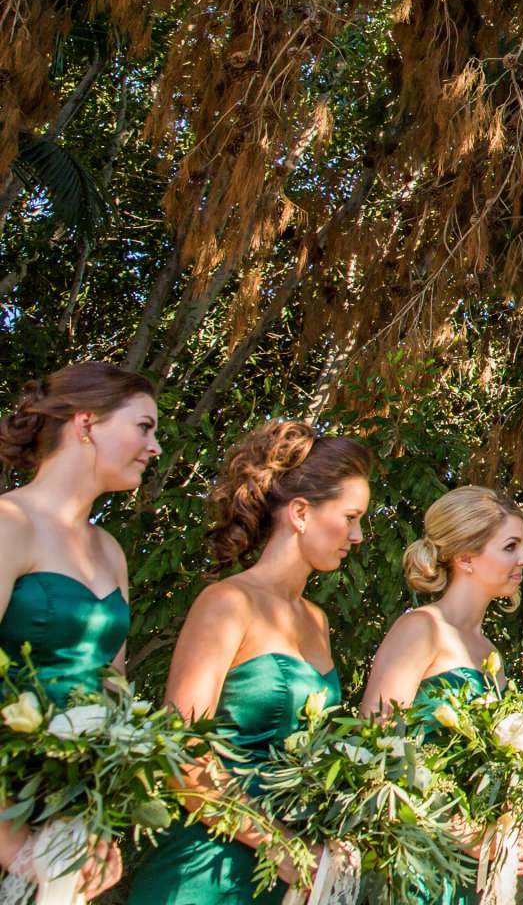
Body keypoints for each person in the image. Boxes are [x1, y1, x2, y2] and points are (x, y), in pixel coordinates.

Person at [128, 421, 373, 905]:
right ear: (300, 513)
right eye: (349, 517)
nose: (358, 535)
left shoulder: (317, 620)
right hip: (208, 867)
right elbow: (179, 756)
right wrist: (282, 849)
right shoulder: (228, 603)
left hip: (288, 875)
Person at [0, 362, 160, 898]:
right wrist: (14, 846)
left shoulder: (108, 550)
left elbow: (113, 697)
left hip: (67, 816)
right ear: (86, 423)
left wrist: (96, 825)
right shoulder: (9, 525)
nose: (154, 446)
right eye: (144, 427)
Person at [362, 486, 523, 905]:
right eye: (511, 546)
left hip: (470, 868)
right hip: (415, 859)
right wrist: (469, 834)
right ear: (465, 559)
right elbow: (375, 752)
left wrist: (510, 827)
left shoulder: (489, 652)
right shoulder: (421, 629)